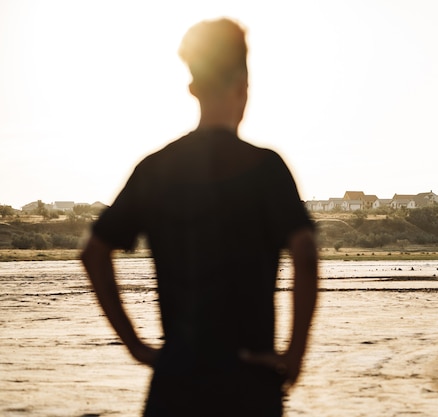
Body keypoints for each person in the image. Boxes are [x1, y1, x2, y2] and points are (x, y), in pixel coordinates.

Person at [81, 18, 318, 416]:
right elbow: (306, 254)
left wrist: (137, 347)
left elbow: (94, 252)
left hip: (176, 381)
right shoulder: (266, 168)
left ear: (193, 88)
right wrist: (294, 354)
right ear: (243, 86)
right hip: (249, 381)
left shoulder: (156, 168)